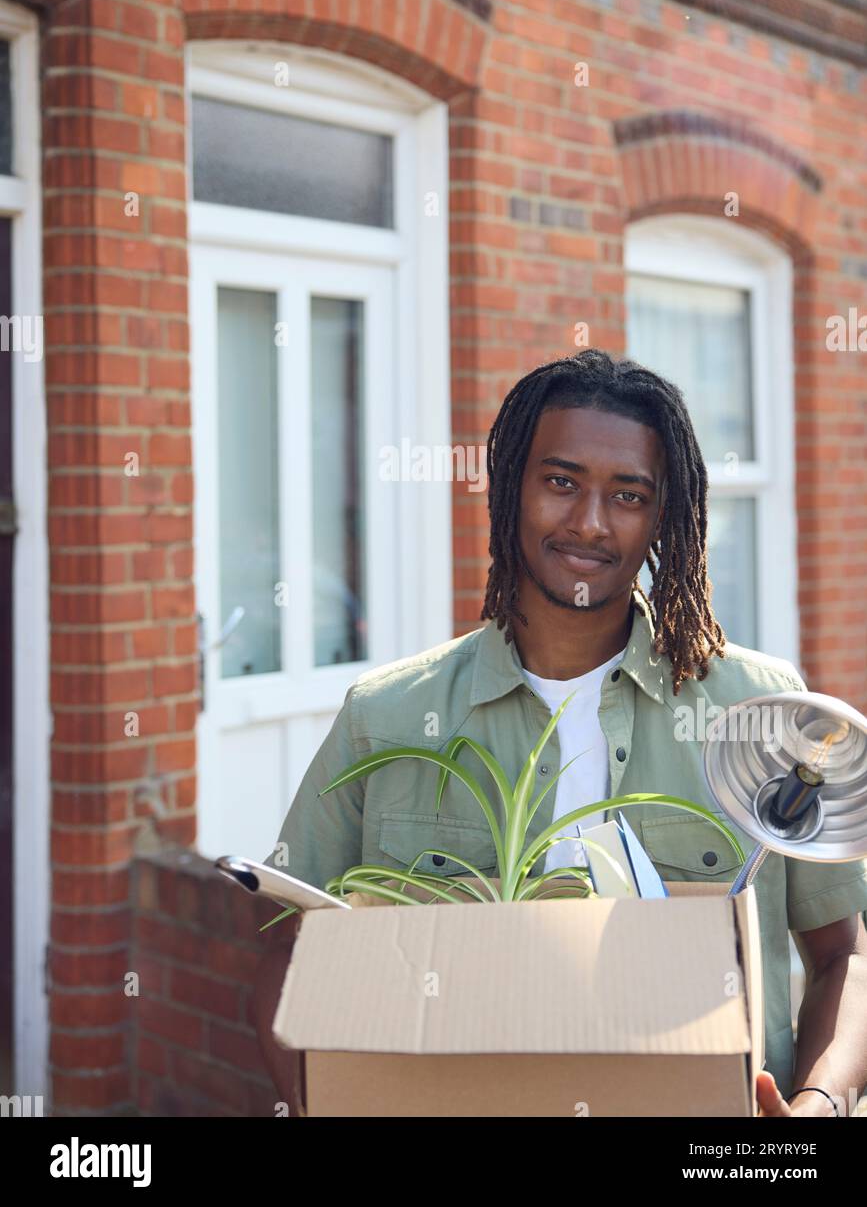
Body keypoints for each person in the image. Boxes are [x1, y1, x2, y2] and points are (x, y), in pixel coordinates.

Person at [254, 349, 867, 1117]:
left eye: (629, 495)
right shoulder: (386, 717)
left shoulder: (761, 713)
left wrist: (817, 1107)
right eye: (560, 482)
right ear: (510, 487)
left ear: (662, 518)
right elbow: (286, 950)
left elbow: (842, 955)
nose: (588, 522)